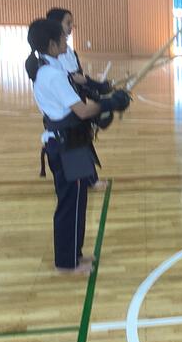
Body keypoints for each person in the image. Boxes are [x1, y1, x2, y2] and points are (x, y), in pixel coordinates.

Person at [25, 18, 130, 273]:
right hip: (66, 147)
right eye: (63, 37)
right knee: (70, 205)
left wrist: (103, 99)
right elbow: (82, 111)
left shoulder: (50, 69)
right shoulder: (51, 75)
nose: (67, 39)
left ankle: (74, 254)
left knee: (78, 200)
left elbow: (77, 106)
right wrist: (110, 103)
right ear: (52, 44)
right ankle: (66, 262)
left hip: (71, 142)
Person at [47, 7, 113, 188]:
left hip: (75, 100)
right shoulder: (54, 55)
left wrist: (96, 90)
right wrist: (96, 87)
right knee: (75, 141)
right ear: (55, 25)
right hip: (66, 106)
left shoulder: (68, 50)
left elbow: (79, 76)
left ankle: (88, 179)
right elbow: (73, 78)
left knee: (82, 139)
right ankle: (84, 181)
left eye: (71, 23)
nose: (71, 27)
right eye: (67, 23)